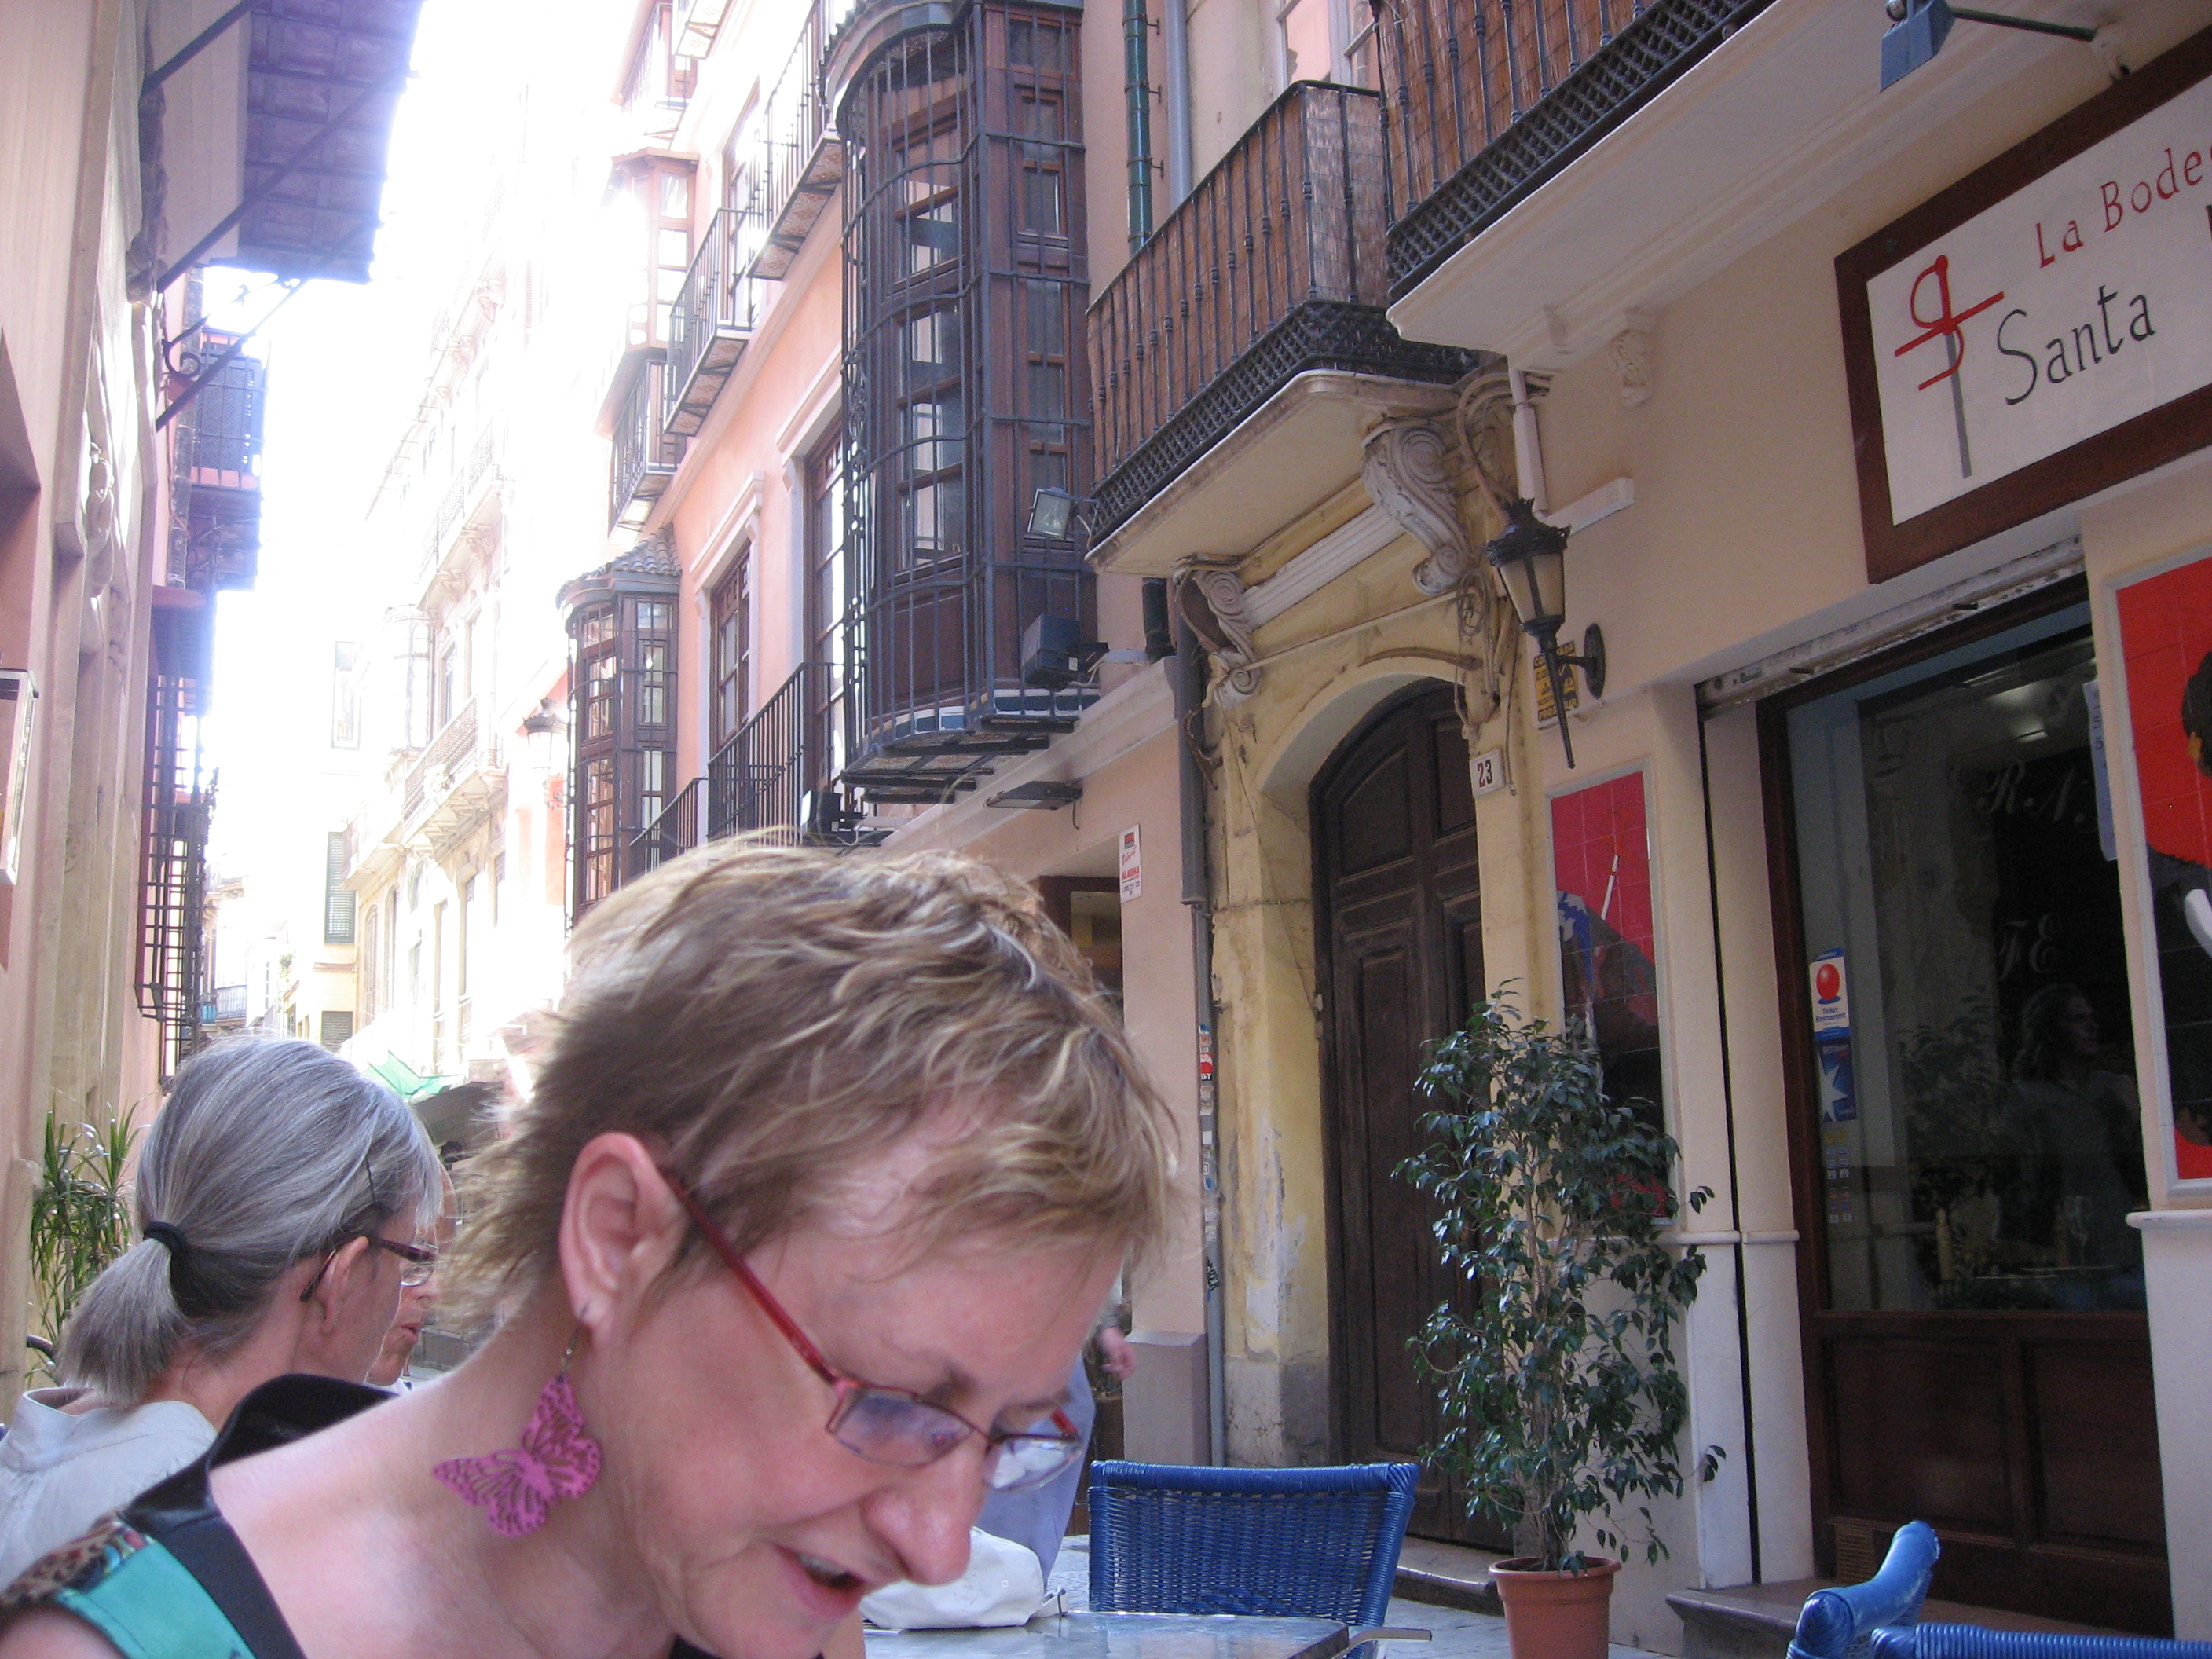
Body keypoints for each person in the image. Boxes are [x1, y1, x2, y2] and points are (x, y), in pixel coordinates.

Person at [0, 843, 1179, 1659]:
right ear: (620, 1238)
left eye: (1009, 1434)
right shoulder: (138, 1639)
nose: (935, 1545)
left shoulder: (780, 1593)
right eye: (893, 1406)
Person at [0, 1038, 445, 1586]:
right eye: (410, 1260)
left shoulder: (42, 1449)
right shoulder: (225, 1549)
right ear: (344, 1275)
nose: (418, 1289)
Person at [2001, 983, 2147, 1304]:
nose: (2091, 1027)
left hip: (2125, 1250)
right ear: (2052, 1030)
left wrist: (2133, 1118)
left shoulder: (2112, 1089)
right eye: (2079, 1019)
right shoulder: (2027, 1098)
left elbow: (2143, 1169)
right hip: (2066, 1258)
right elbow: (2020, 1178)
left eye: (2091, 1018)